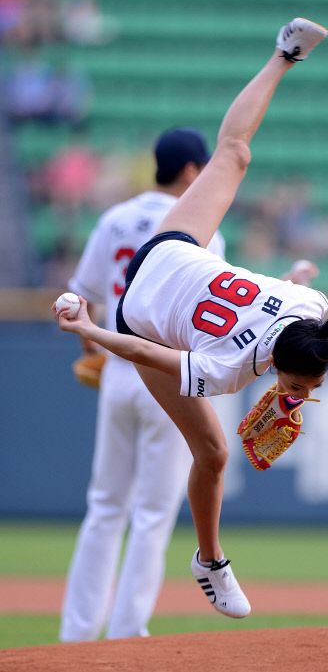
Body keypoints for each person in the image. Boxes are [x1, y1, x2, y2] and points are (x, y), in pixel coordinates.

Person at [54, 18, 328, 620]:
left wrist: (293, 282)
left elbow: (273, 307)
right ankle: (210, 562)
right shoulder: (231, 369)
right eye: (295, 386)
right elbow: (141, 355)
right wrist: (89, 331)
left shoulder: (311, 310)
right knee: (212, 452)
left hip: (170, 249)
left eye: (302, 389)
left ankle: (282, 54)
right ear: (274, 364)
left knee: (234, 155)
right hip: (142, 317)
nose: (295, 394)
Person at [59, 128, 226, 641]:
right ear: (193, 172)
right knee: (153, 512)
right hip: (168, 378)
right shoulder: (202, 227)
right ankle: (128, 631)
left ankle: (77, 633)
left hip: (117, 370)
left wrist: (91, 352)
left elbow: (80, 294)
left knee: (105, 505)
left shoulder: (116, 218)